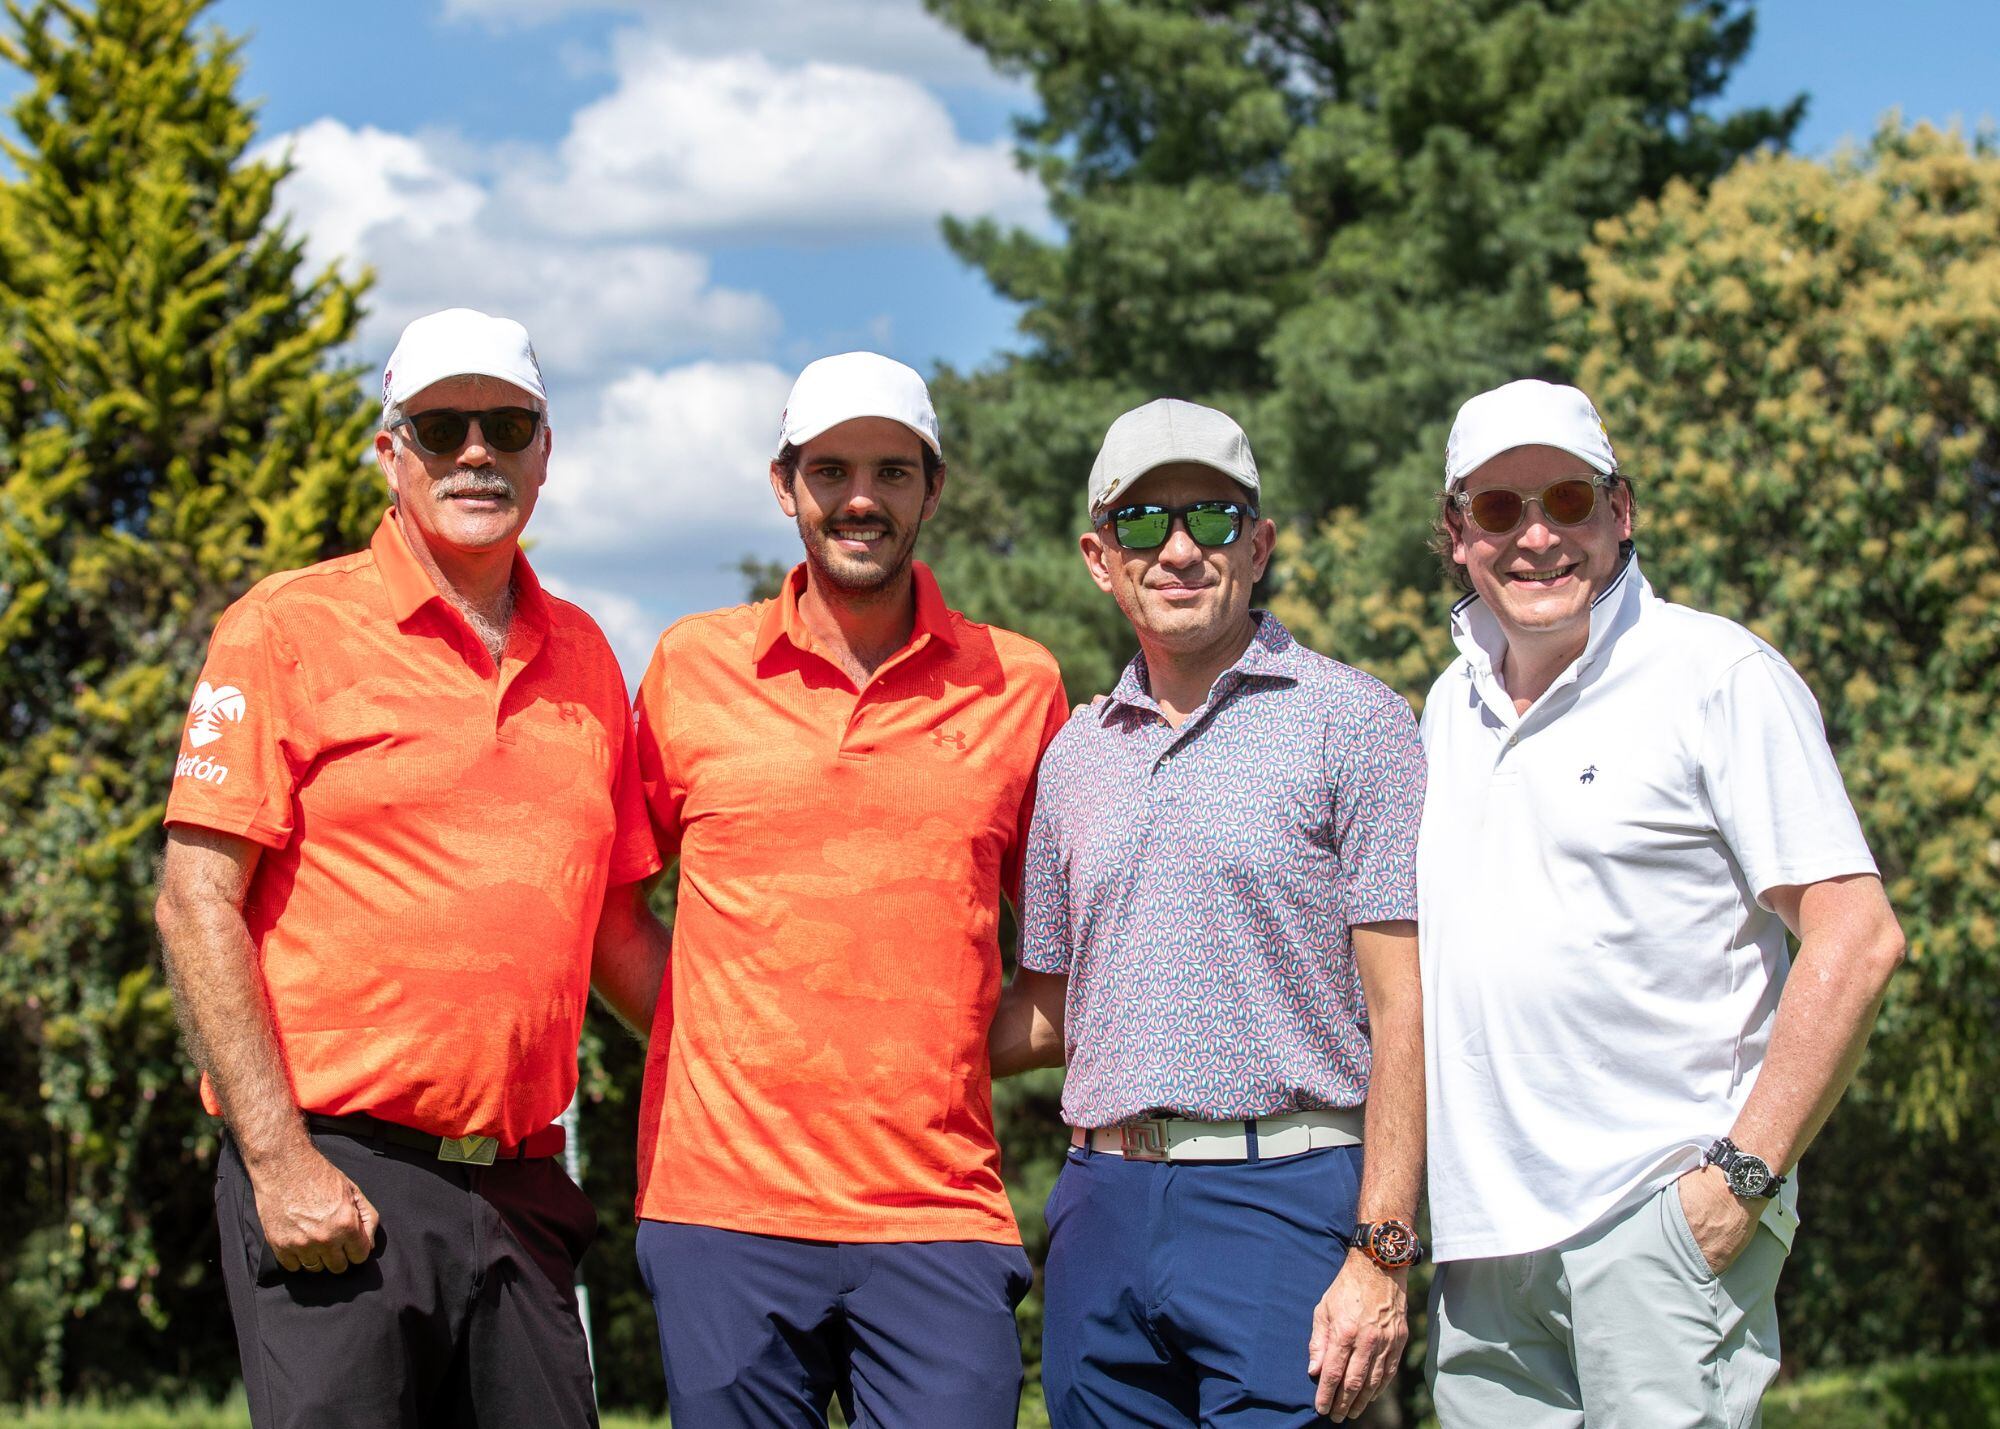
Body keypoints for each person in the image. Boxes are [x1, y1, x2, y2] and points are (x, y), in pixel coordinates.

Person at [154, 308, 669, 1427]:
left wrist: (760, 1061)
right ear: (390, 453)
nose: (474, 452)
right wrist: (279, 1162)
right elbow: (196, 897)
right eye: (440, 427)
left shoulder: (586, 653)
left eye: (505, 425)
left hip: (525, 1186)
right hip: (341, 1173)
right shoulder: (286, 628)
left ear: (545, 451)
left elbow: (614, 928)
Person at [1418, 378, 1906, 1426]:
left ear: (1620, 510)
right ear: (1455, 535)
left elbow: (1855, 934)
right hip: (1481, 1249)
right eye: (1498, 510)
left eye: (1567, 500)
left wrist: (1740, 1177)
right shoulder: (1443, 708)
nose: (1537, 535)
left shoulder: (1714, 673)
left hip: (1656, 1216)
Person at [627, 352, 1070, 1429]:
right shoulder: (691, 667)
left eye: (890, 470)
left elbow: (1065, 960)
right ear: (785, 485)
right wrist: (721, 1039)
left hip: (937, 1210)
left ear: (932, 486)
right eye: (829, 470)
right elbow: (607, 909)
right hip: (721, 1209)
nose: (859, 497)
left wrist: (943, 1044)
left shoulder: (1021, 684)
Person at [998, 398, 1428, 1427]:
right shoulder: (1071, 755)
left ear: (1260, 544)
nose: (1179, 548)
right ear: (1099, 558)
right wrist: (860, 1054)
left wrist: (1382, 1250)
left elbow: (1404, 1009)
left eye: (1213, 518)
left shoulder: (1354, 722)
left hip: (1288, 1195)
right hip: (1101, 1204)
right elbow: (1054, 1008)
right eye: (1143, 523)